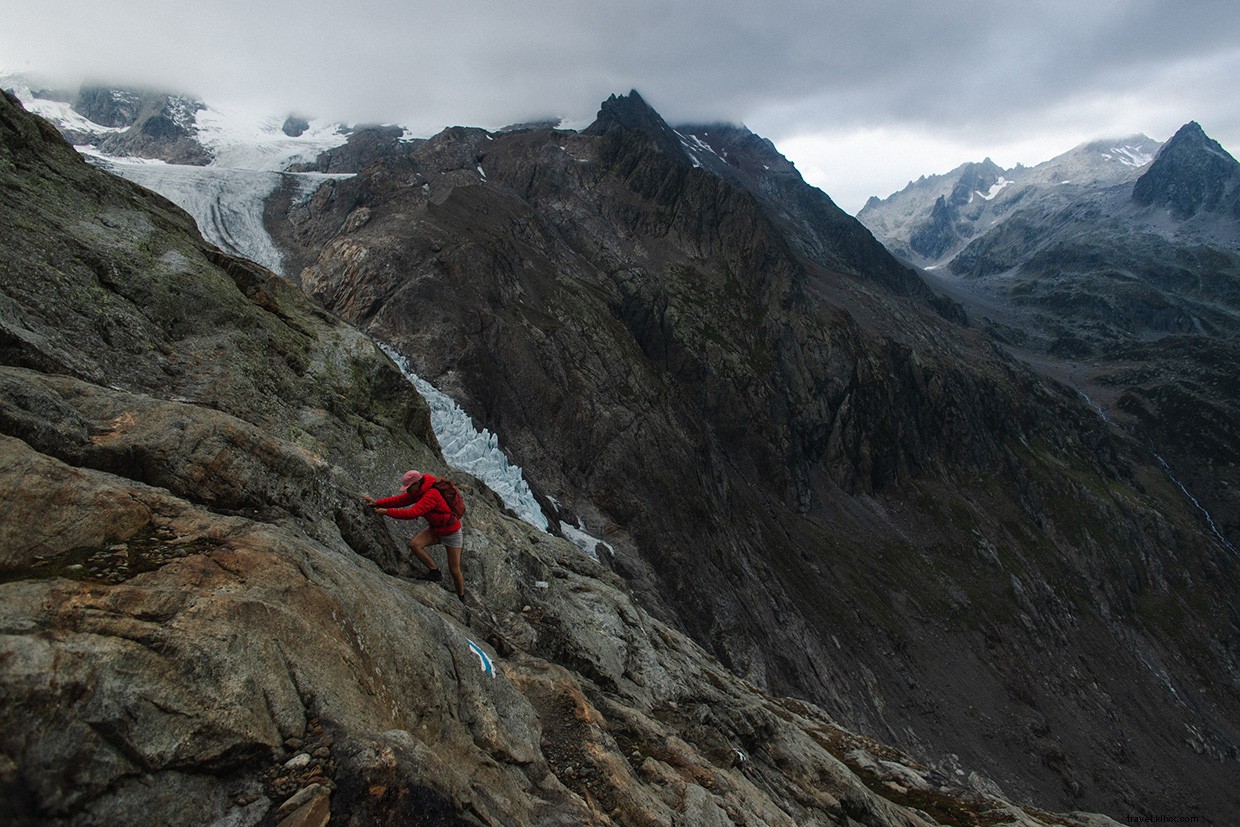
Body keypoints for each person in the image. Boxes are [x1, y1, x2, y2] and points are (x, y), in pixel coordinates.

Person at [365, 470, 466, 601]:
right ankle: (435, 572)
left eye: (408, 488)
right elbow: (400, 501)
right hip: (435, 529)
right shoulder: (418, 491)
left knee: (454, 569)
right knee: (415, 544)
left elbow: (412, 513)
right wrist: (377, 503)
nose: (407, 491)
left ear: (417, 483)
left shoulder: (431, 494)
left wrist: (386, 512)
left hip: (451, 532)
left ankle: (461, 598)